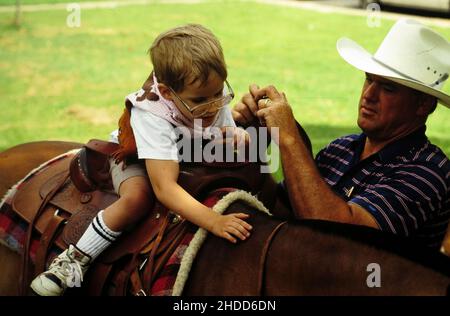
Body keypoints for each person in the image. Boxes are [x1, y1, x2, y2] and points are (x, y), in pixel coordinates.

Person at [31, 23, 252, 296]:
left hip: (184, 153)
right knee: (138, 198)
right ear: (169, 93)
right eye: (200, 99)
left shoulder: (210, 95)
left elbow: (223, 125)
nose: (212, 105)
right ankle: (72, 261)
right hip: (135, 155)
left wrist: (236, 134)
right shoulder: (152, 113)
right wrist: (214, 221)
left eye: (218, 94)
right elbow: (165, 187)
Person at [233, 19, 450, 250]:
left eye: (388, 88)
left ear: (423, 104)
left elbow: (339, 240)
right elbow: (282, 208)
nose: (369, 94)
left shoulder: (428, 171)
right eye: (368, 79)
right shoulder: (340, 148)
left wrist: (288, 137)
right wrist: (255, 148)